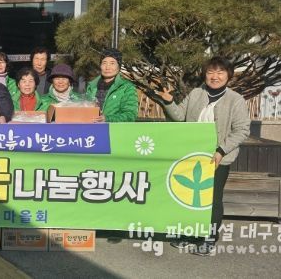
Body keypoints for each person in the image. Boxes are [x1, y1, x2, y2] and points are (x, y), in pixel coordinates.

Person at [159, 56, 250, 256]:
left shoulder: (235, 100)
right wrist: (169, 102)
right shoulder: (196, 93)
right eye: (210, 72)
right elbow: (179, 117)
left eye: (220, 72)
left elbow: (242, 130)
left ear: (228, 75)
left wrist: (221, 150)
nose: (214, 76)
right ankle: (190, 234)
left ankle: (208, 238)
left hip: (218, 158)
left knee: (212, 200)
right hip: (192, 155)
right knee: (188, 197)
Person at [85, 48, 138, 123]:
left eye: (112, 63)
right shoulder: (92, 86)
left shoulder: (127, 87)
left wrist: (108, 119)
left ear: (119, 66)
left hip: (114, 129)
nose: (107, 67)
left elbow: (130, 115)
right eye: (104, 63)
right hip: (92, 129)